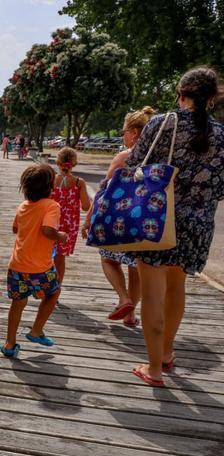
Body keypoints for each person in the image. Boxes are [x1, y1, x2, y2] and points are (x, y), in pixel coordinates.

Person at [124, 67, 224, 387]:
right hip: (197, 226)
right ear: (211, 99)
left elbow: (134, 164)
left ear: (181, 94)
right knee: (176, 288)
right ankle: (167, 354)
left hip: (156, 217)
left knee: (153, 293)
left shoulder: (160, 123)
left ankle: (153, 369)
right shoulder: (222, 135)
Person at [81, 107, 155, 328]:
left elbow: (104, 191)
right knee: (135, 267)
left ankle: (124, 299)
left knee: (108, 259)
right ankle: (130, 315)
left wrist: (88, 220)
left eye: (124, 131)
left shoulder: (124, 156)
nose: (122, 135)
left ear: (134, 133)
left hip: (118, 221)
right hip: (145, 224)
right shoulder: (158, 158)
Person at [2, 164, 68, 357]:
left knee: (18, 302)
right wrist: (60, 236)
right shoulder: (52, 206)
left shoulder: (23, 206)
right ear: (50, 187)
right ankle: (36, 330)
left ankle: (9, 343)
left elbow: (15, 229)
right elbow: (47, 230)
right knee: (53, 293)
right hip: (40, 267)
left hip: (17, 265)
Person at [50, 147, 91, 286]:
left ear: (58, 163)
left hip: (50, 221)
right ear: (74, 163)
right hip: (69, 225)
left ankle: (45, 284)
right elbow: (86, 207)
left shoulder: (51, 180)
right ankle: (56, 288)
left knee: (46, 254)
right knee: (60, 258)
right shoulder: (79, 183)